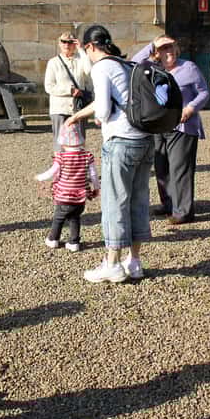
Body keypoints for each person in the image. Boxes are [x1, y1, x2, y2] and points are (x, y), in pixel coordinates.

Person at [65, 25, 154, 283]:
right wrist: (77, 116)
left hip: (121, 142)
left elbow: (103, 108)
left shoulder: (101, 67)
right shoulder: (125, 64)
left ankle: (113, 264)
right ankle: (134, 262)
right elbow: (113, 100)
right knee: (138, 200)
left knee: (115, 202)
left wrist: (99, 118)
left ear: (89, 47)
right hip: (144, 139)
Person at [139, 35, 209, 225]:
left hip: (182, 126)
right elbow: (133, 63)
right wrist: (152, 45)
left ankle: (183, 211)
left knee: (180, 169)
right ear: (156, 52)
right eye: (163, 48)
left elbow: (204, 92)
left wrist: (190, 108)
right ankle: (169, 204)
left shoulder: (189, 68)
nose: (168, 51)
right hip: (158, 126)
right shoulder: (152, 68)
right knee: (161, 168)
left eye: (171, 47)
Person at [35, 123, 99, 252]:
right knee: (75, 218)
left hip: (64, 195)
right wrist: (96, 187)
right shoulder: (87, 156)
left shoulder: (61, 157)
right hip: (80, 196)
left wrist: (40, 177)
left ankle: (53, 239)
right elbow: (93, 174)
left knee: (58, 218)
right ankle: (74, 242)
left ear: (63, 143)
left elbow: (52, 171)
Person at [44, 32, 92, 152]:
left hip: (78, 108)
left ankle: (78, 163)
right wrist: (69, 90)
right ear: (59, 44)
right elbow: (49, 86)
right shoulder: (53, 62)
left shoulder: (80, 60)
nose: (67, 45)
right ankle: (59, 163)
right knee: (60, 143)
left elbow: (90, 70)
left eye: (70, 42)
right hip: (60, 108)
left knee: (79, 142)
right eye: (64, 42)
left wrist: (81, 50)